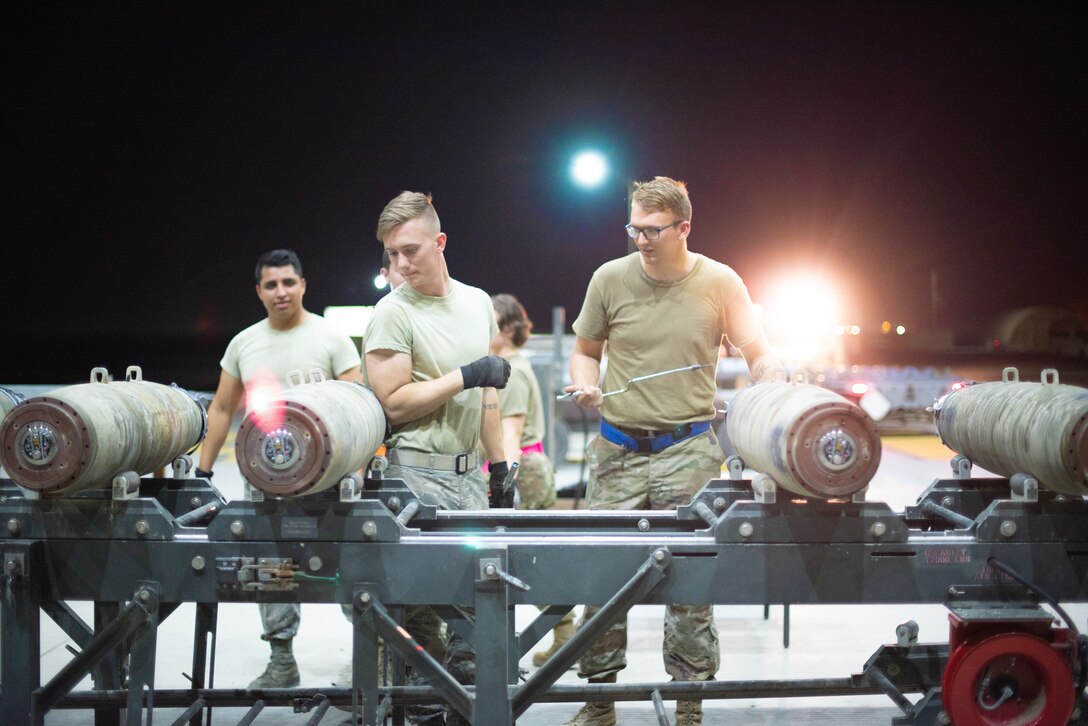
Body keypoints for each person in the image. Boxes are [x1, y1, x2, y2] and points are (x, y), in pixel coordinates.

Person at [562, 177, 780, 726]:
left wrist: (773, 381)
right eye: (634, 228)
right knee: (602, 580)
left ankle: (688, 705)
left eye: (653, 230)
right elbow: (585, 351)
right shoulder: (609, 279)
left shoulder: (720, 282)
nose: (641, 239)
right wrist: (585, 382)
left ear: (684, 227)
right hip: (618, 450)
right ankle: (599, 704)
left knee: (690, 582)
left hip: (687, 451)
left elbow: (757, 351)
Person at [364, 191, 511, 725]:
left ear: (440, 242)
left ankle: (467, 712)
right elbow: (393, 403)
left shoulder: (477, 302)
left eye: (411, 250)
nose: (401, 264)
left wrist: (500, 466)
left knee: (478, 610)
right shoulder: (391, 313)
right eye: (392, 253)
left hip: (469, 478)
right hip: (415, 477)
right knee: (418, 620)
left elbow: (487, 394)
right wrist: (464, 375)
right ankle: (423, 715)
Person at [197, 249, 362, 689]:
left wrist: (360, 470)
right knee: (272, 568)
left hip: (329, 481)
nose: (281, 291)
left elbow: (359, 408)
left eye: (288, 282)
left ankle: (370, 658)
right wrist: (203, 473)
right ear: (259, 291)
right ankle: (282, 660)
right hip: (267, 484)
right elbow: (221, 409)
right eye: (271, 285)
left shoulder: (332, 339)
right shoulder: (243, 343)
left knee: (350, 568)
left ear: (303, 285)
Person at [486, 294, 574, 667]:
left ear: (507, 329)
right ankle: (564, 631)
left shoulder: (512, 371)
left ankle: (565, 631)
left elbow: (512, 434)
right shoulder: (509, 365)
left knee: (526, 562)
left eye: (490, 323)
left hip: (524, 470)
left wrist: (501, 483)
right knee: (525, 560)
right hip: (525, 467)